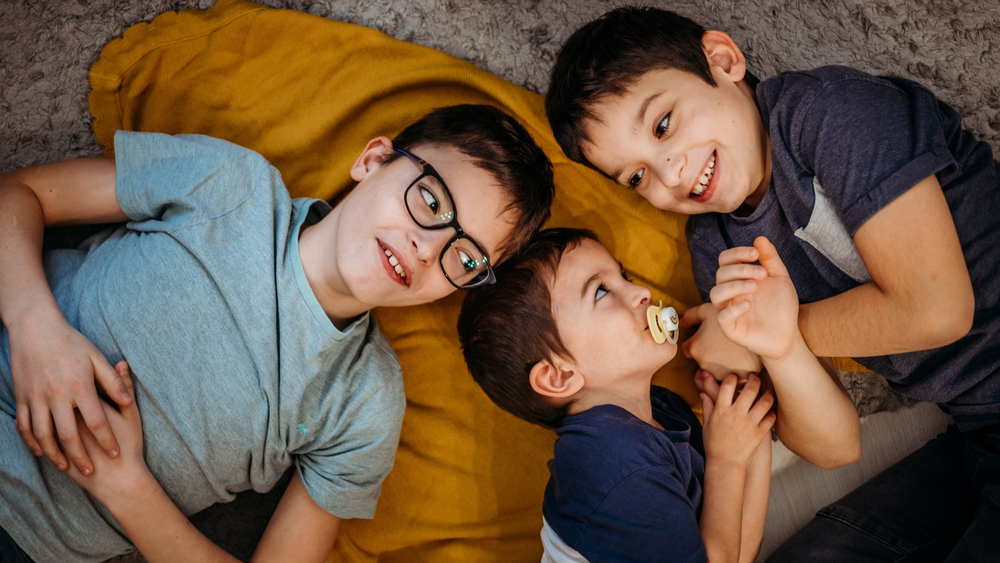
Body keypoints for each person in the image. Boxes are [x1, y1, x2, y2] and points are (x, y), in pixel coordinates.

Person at [0, 103, 555, 563]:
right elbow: (18, 194)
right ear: (373, 160)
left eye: (466, 257)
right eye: (431, 201)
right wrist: (35, 328)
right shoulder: (231, 184)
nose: (428, 247)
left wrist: (127, 489)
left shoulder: (365, 404)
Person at [544, 6, 1000, 560]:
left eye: (663, 125)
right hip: (976, 430)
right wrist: (776, 348)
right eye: (637, 176)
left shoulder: (832, 114)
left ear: (722, 60)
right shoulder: (716, 247)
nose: (670, 175)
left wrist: (774, 330)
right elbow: (834, 447)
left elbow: (937, 309)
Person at [457, 227, 855, 563]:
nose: (642, 293)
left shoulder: (663, 410)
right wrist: (727, 460)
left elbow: (735, 553)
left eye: (624, 276)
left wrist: (745, 412)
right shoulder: (609, 467)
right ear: (560, 376)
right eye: (601, 292)